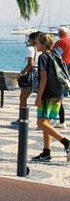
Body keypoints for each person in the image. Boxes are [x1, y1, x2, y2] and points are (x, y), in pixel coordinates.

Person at [32, 32, 70, 162]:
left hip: (47, 93)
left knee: (40, 122)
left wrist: (39, 96)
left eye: (37, 42)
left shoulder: (43, 56)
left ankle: (66, 143)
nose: (36, 44)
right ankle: (46, 151)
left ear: (42, 44)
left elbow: (44, 78)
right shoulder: (55, 55)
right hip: (58, 93)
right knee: (46, 122)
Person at [12, 31, 42, 126]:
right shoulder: (43, 49)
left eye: (29, 39)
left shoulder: (31, 49)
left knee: (23, 97)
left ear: (32, 39)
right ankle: (42, 118)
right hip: (42, 73)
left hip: (32, 74)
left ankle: (22, 118)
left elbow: (30, 64)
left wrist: (22, 73)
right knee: (40, 97)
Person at [52, 27, 70, 129]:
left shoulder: (60, 41)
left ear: (59, 33)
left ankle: (55, 119)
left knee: (58, 92)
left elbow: (54, 53)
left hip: (63, 65)